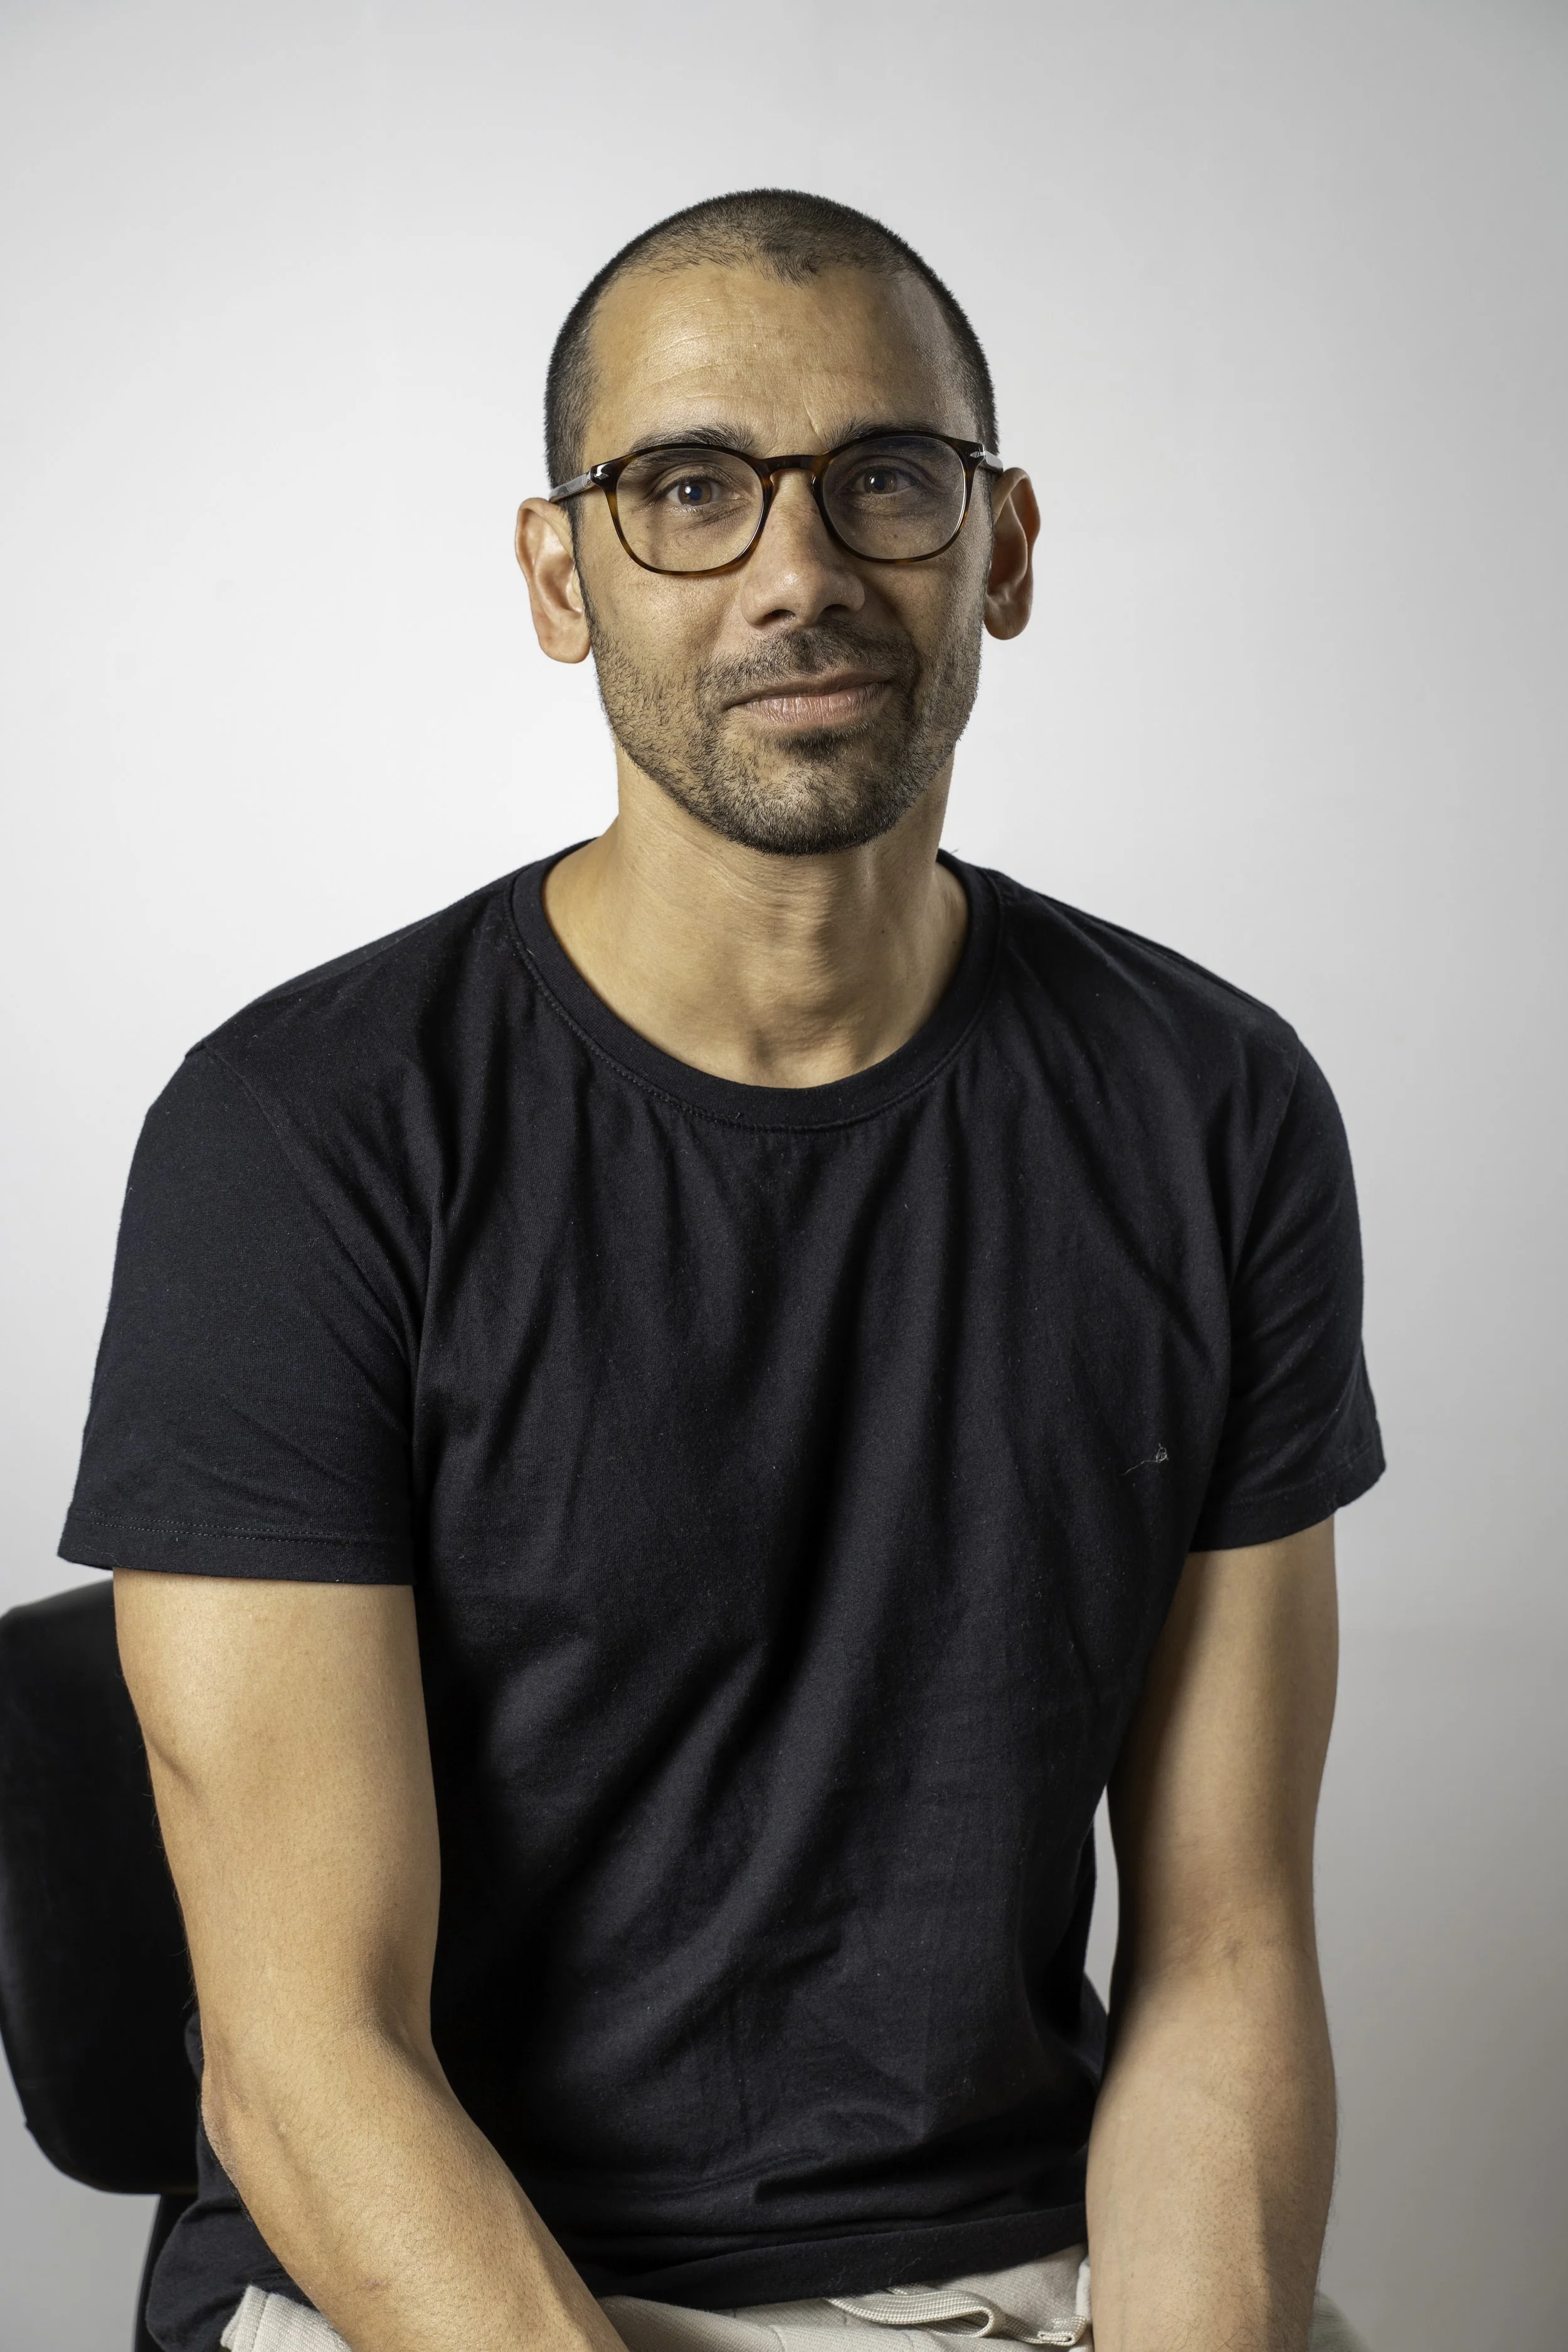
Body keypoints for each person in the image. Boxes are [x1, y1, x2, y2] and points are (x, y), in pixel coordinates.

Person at [61, 190, 1383, 2352]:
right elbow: (300, 2059)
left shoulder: (1214, 1107)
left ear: (1004, 547)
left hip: (1014, 2272)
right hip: (447, 2282)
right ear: (558, 574)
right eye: (687, 488)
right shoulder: (301, 1136)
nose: (797, 570)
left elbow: (1227, 1951)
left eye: (886, 478)